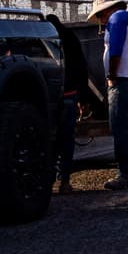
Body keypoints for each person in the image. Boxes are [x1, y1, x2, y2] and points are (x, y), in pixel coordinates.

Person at [86, 0, 128, 190]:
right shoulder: (127, 18)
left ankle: (126, 174)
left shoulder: (117, 18)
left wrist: (112, 74)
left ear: (105, 11)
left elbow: (116, 48)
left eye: (100, 16)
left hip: (122, 79)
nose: (101, 22)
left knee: (119, 128)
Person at [45, 14, 92, 194]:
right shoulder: (70, 37)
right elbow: (81, 68)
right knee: (66, 140)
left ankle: (46, 182)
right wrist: (84, 99)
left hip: (48, 99)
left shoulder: (42, 39)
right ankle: (64, 181)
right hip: (69, 95)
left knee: (49, 141)